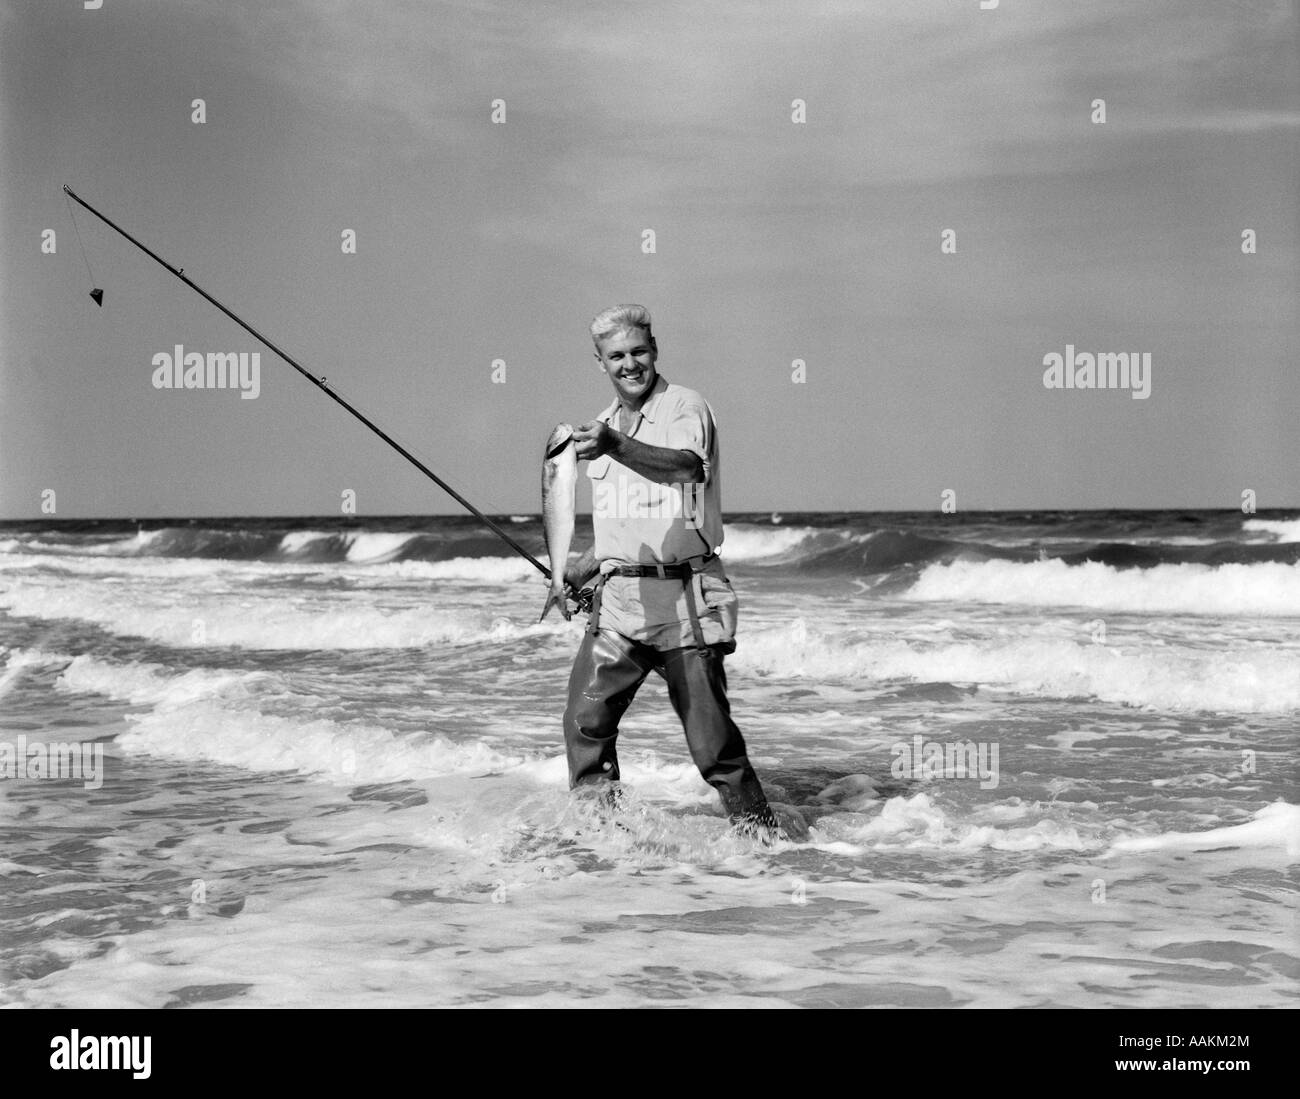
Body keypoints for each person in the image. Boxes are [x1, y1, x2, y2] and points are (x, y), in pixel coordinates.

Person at [559, 304, 783, 841]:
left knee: (713, 747)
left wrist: (616, 446)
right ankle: (604, 839)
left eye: (638, 351)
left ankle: (765, 847)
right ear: (601, 364)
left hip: (687, 601)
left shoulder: (684, 405)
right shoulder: (603, 428)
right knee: (585, 725)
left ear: (654, 350)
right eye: (616, 356)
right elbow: (625, 521)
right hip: (619, 606)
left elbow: (686, 467)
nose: (629, 364)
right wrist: (583, 566)